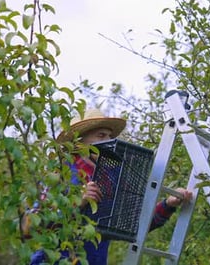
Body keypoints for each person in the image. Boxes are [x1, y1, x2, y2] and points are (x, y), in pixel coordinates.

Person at [26, 108, 192, 265]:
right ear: (79, 141)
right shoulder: (60, 172)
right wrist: (77, 203)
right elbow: (32, 226)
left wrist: (168, 204)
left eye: (109, 136)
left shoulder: (111, 178)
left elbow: (133, 225)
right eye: (101, 135)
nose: (108, 141)